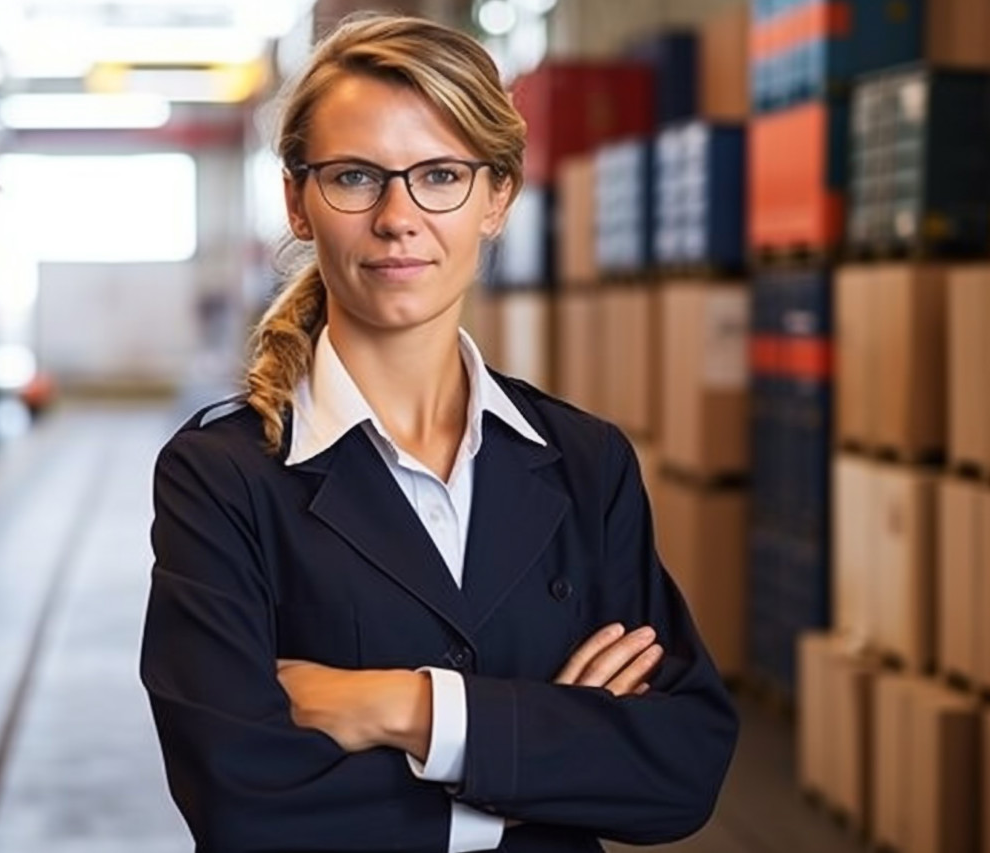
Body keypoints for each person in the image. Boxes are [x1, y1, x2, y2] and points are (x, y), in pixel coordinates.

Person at [140, 13, 738, 853]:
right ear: (298, 201)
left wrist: (404, 709)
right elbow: (242, 803)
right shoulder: (222, 476)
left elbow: (682, 766)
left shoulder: (584, 464)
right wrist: (547, 762)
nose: (398, 216)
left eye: (441, 175)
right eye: (355, 177)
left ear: (497, 197)